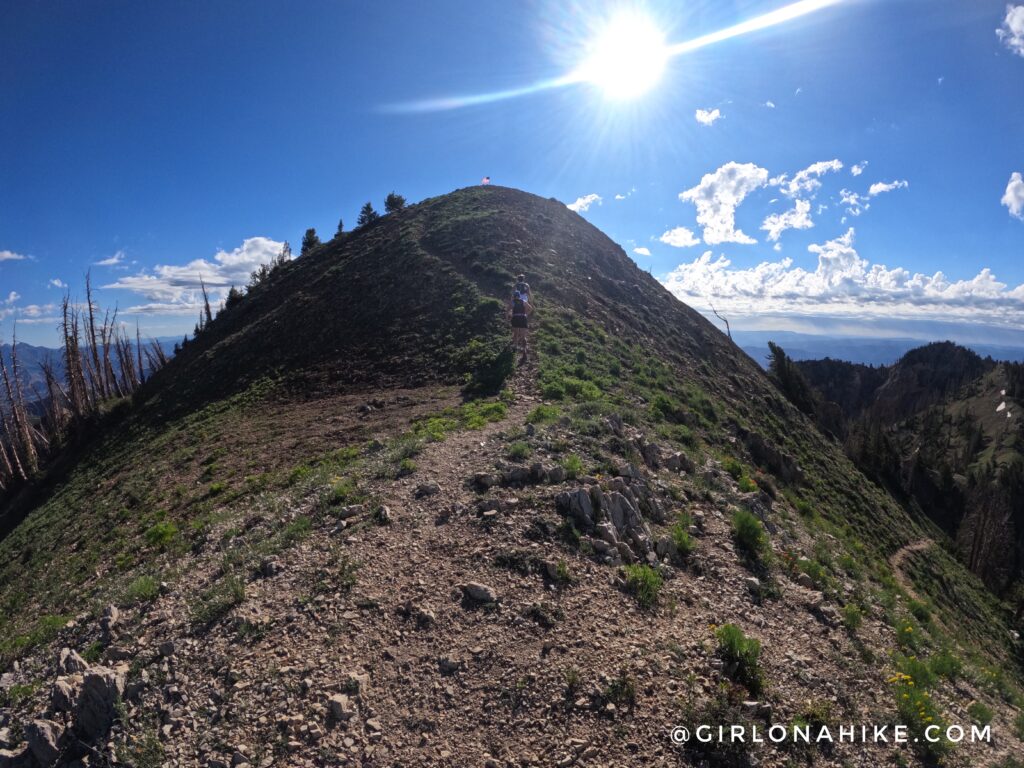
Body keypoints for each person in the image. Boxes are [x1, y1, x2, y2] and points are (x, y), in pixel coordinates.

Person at [508, 274, 533, 361]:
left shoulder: (516, 285)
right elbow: (529, 293)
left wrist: (511, 301)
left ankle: (515, 345)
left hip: (516, 298)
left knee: (515, 332)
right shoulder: (526, 285)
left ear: (518, 279)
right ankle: (524, 349)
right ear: (524, 279)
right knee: (524, 309)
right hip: (524, 300)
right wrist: (531, 300)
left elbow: (512, 292)